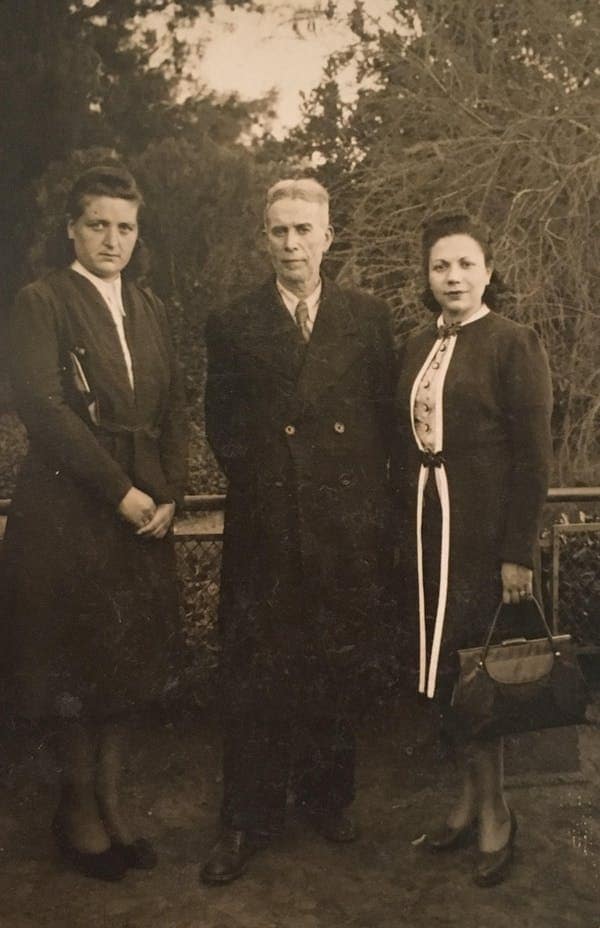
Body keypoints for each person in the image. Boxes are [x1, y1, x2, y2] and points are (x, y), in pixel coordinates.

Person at [202, 177, 395, 884]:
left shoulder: (367, 318)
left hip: (341, 528)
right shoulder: (232, 322)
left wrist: (349, 504)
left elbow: (382, 422)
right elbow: (222, 425)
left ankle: (327, 798)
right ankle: (246, 819)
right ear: (265, 238)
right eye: (279, 231)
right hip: (269, 527)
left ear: (327, 237)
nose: (291, 244)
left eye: (303, 230)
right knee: (256, 672)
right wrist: (275, 488)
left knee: (334, 663)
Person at [3, 165, 188, 881]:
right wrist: (120, 492)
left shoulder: (149, 306)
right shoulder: (42, 300)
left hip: (142, 512)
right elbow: (43, 409)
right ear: (71, 230)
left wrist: (168, 492)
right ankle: (78, 811)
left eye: (126, 227)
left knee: (128, 663)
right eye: (98, 225)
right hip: (71, 510)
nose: (113, 239)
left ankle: (113, 805)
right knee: (77, 665)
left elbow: (175, 405)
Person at [393, 211, 553, 887]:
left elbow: (534, 459)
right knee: (441, 676)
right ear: (426, 277)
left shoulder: (513, 342)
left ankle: (497, 814)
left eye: (465, 264)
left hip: (483, 538)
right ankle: (464, 802)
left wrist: (517, 552)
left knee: (479, 674)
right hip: (427, 531)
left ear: (488, 271)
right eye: (440, 266)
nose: (453, 277)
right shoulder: (416, 344)